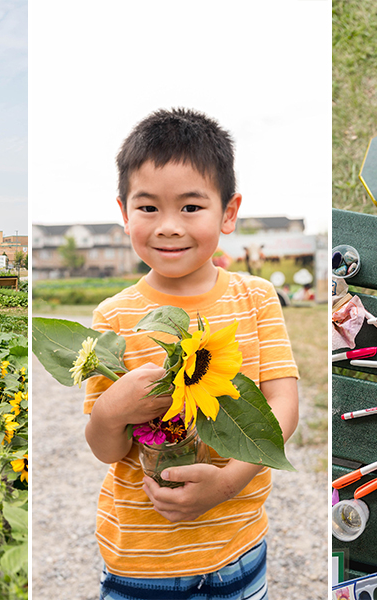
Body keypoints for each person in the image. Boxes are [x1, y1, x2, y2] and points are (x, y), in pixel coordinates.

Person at [83, 108, 299, 599]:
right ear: (123, 212)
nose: (168, 227)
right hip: (140, 562)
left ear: (228, 211)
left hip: (236, 548)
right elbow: (105, 447)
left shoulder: (255, 298)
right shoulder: (114, 318)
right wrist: (113, 409)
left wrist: (228, 483)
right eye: (148, 208)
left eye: (190, 207)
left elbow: (282, 406)